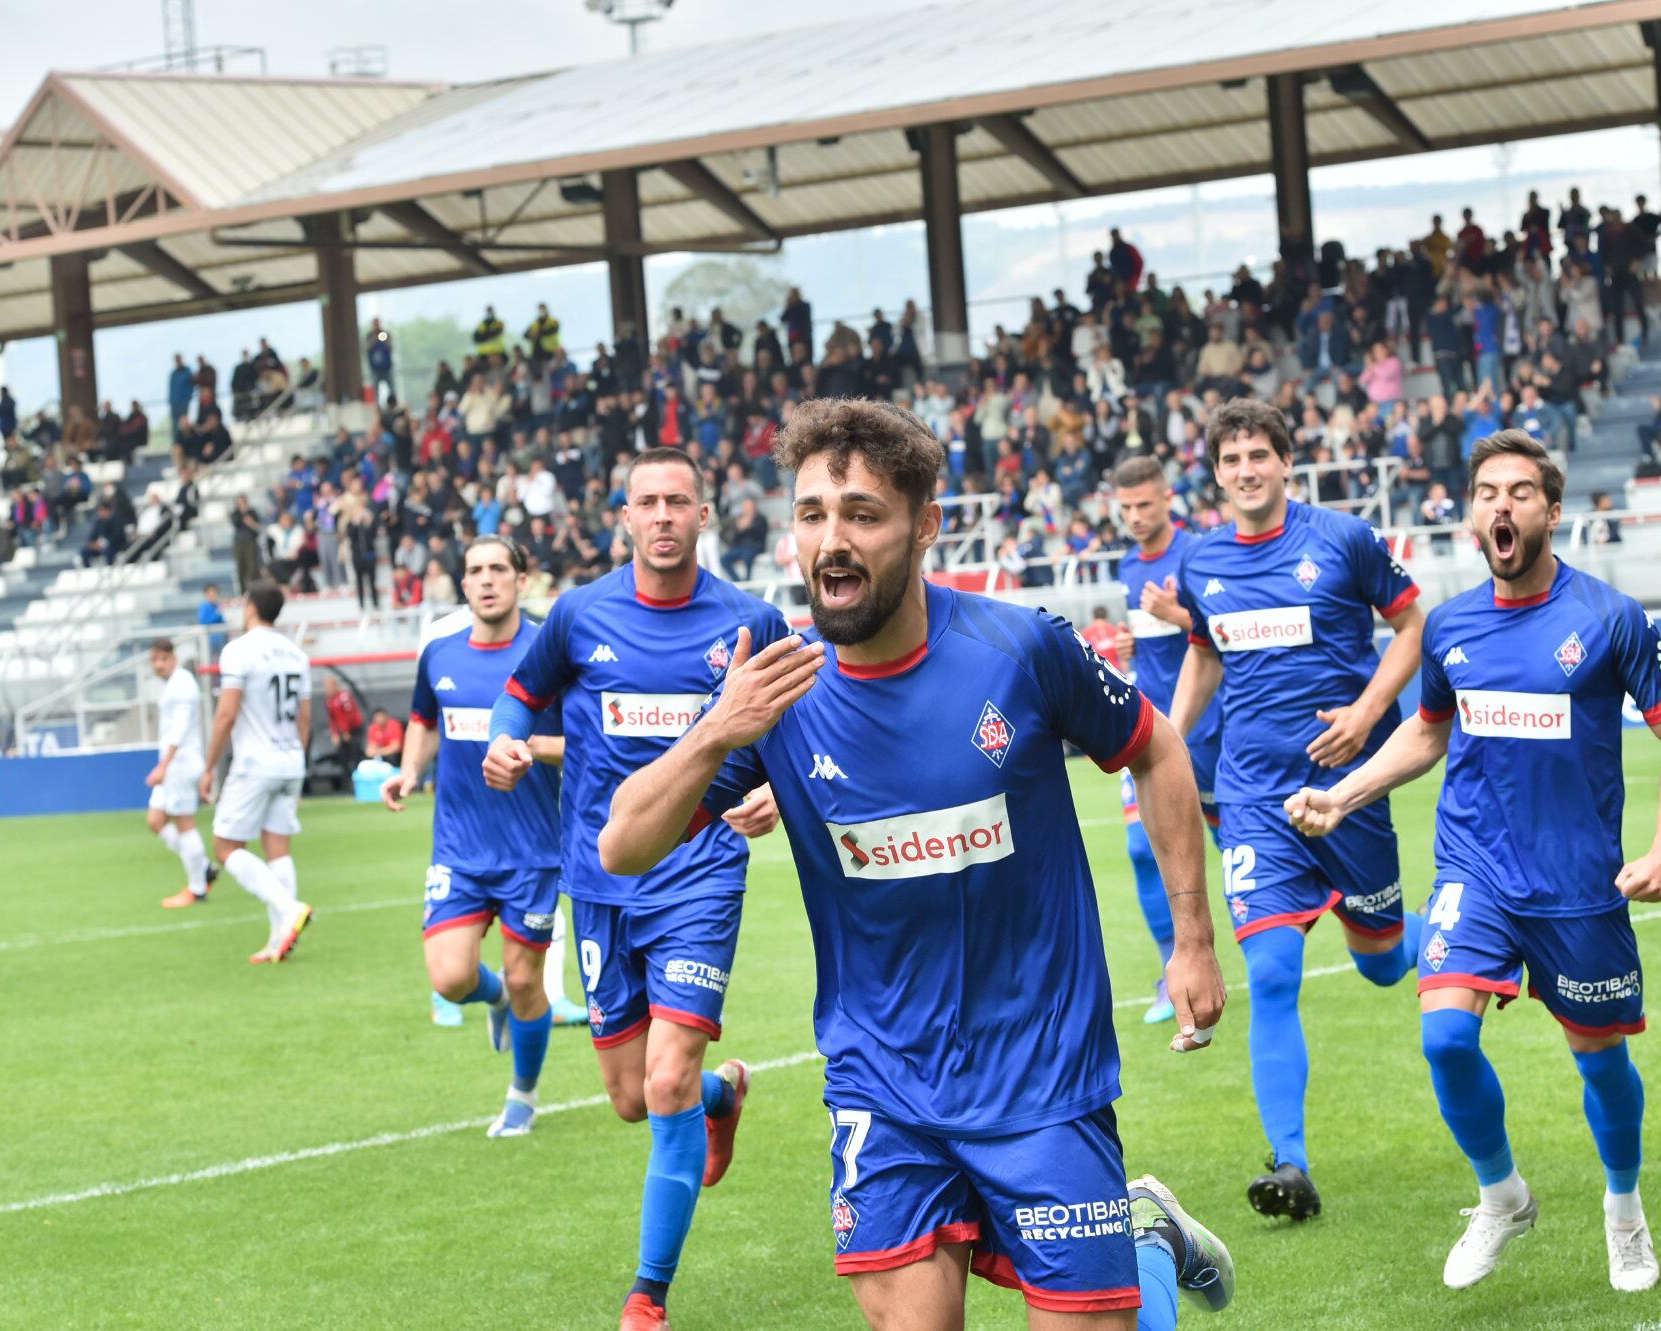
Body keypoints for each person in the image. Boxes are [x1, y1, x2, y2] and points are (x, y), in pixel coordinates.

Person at [594, 401, 1233, 1331]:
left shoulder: (1021, 649)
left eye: (863, 513)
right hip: (883, 1082)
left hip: (1041, 1072)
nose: (832, 540)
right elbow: (622, 843)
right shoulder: (772, 690)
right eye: (813, 514)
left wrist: (1192, 940)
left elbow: (1158, 748)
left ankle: (1143, 1239)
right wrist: (719, 731)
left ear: (925, 526)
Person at [1286, 430, 1661, 1294]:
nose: (1501, 505)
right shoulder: (1452, 624)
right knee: (1443, 1034)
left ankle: (1624, 1210)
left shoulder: (1610, 618)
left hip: (1579, 882)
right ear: (1472, 513)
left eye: (1519, 492)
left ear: (1552, 510)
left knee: (1599, 1057)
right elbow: (1431, 729)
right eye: (1486, 492)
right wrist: (1345, 792)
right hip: (1476, 867)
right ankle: (1502, 1194)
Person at [484, 448, 787, 1330]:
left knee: (664, 1082)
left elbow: (796, 732)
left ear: (704, 515)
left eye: (677, 501)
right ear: (624, 516)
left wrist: (775, 789)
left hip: (700, 870)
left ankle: (647, 1296)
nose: (662, 515)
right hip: (600, 878)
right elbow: (519, 693)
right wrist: (504, 741)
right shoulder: (579, 616)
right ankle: (723, 1098)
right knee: (628, 1095)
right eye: (646, 501)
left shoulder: (751, 620)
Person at [1168, 397, 1426, 1223]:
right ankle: (1291, 1163)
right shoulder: (1203, 565)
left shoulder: (1343, 540)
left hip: (1349, 789)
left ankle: (1465, 937)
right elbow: (1205, 655)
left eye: (1259, 455)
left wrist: (1365, 713)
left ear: (1286, 462)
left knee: (1382, 960)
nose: (1246, 469)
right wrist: (1166, 743)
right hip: (1253, 795)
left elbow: (1413, 624)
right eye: (1231, 458)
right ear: (1216, 474)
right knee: (1272, 972)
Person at [380, 537, 571, 1135]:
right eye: (475, 571)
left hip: (532, 852)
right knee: (451, 978)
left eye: (498, 569)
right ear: (462, 585)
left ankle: (523, 1094)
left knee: (525, 981)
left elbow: (588, 744)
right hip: (459, 849)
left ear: (521, 578)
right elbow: (421, 719)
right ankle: (495, 1005)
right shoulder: (438, 651)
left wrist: (532, 748)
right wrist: (409, 771)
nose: (487, 580)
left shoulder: (550, 650)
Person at [1111, 455, 1223, 1026]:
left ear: (1167, 498)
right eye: (1125, 506)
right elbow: (1155, 641)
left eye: (1144, 504)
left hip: (1212, 730)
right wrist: (1135, 643)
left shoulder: (1200, 554)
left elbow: (1222, 634)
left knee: (1232, 847)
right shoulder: (1129, 564)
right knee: (1140, 850)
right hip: (1153, 734)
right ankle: (1169, 972)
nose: (1134, 515)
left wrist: (1174, 613)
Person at [199, 582, 313, 964]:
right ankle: (279, 939)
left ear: (249, 608)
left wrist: (209, 766)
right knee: (277, 847)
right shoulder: (297, 654)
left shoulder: (239, 651)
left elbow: (227, 714)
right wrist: (297, 759)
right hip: (290, 759)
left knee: (226, 846)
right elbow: (306, 718)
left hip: (255, 762)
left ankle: (289, 907)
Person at [145, 639, 218, 909]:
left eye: (163, 659)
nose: (158, 665)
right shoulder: (173, 685)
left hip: (181, 764)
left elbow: (181, 728)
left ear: (173, 658)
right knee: (155, 820)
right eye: (154, 660)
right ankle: (204, 867)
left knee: (183, 823)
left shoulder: (183, 683)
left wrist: (164, 765)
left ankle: (197, 888)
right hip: (172, 764)